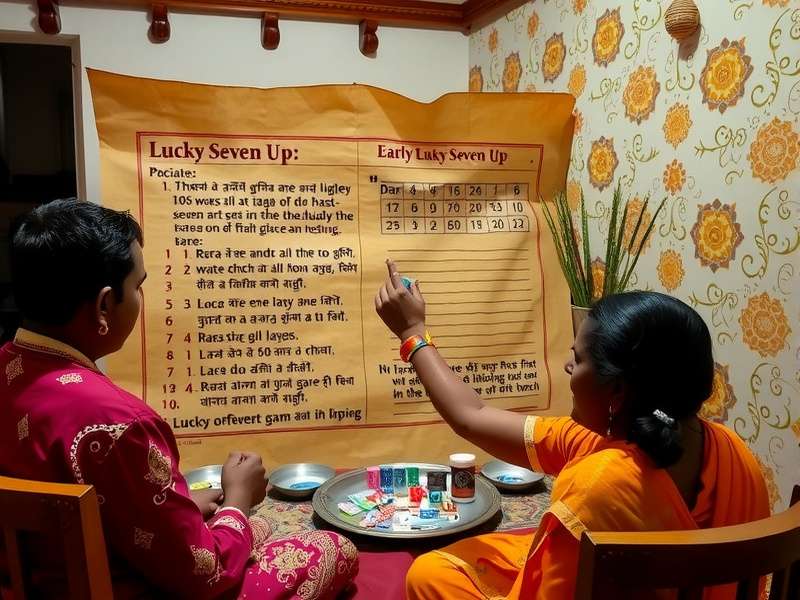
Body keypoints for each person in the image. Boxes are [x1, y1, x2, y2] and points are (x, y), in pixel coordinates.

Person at [0, 199, 358, 599]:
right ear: (104, 305)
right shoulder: (117, 423)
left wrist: (180, 507)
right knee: (330, 548)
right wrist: (237, 499)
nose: (140, 299)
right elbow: (205, 576)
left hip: (34, 585)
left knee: (258, 527)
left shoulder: (8, 369)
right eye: (137, 287)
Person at [374, 260, 769, 599]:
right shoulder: (733, 451)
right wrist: (413, 331)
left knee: (429, 576)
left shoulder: (598, 485)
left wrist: (412, 331)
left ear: (616, 389)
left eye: (577, 359)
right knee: (436, 570)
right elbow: (470, 415)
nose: (566, 366)